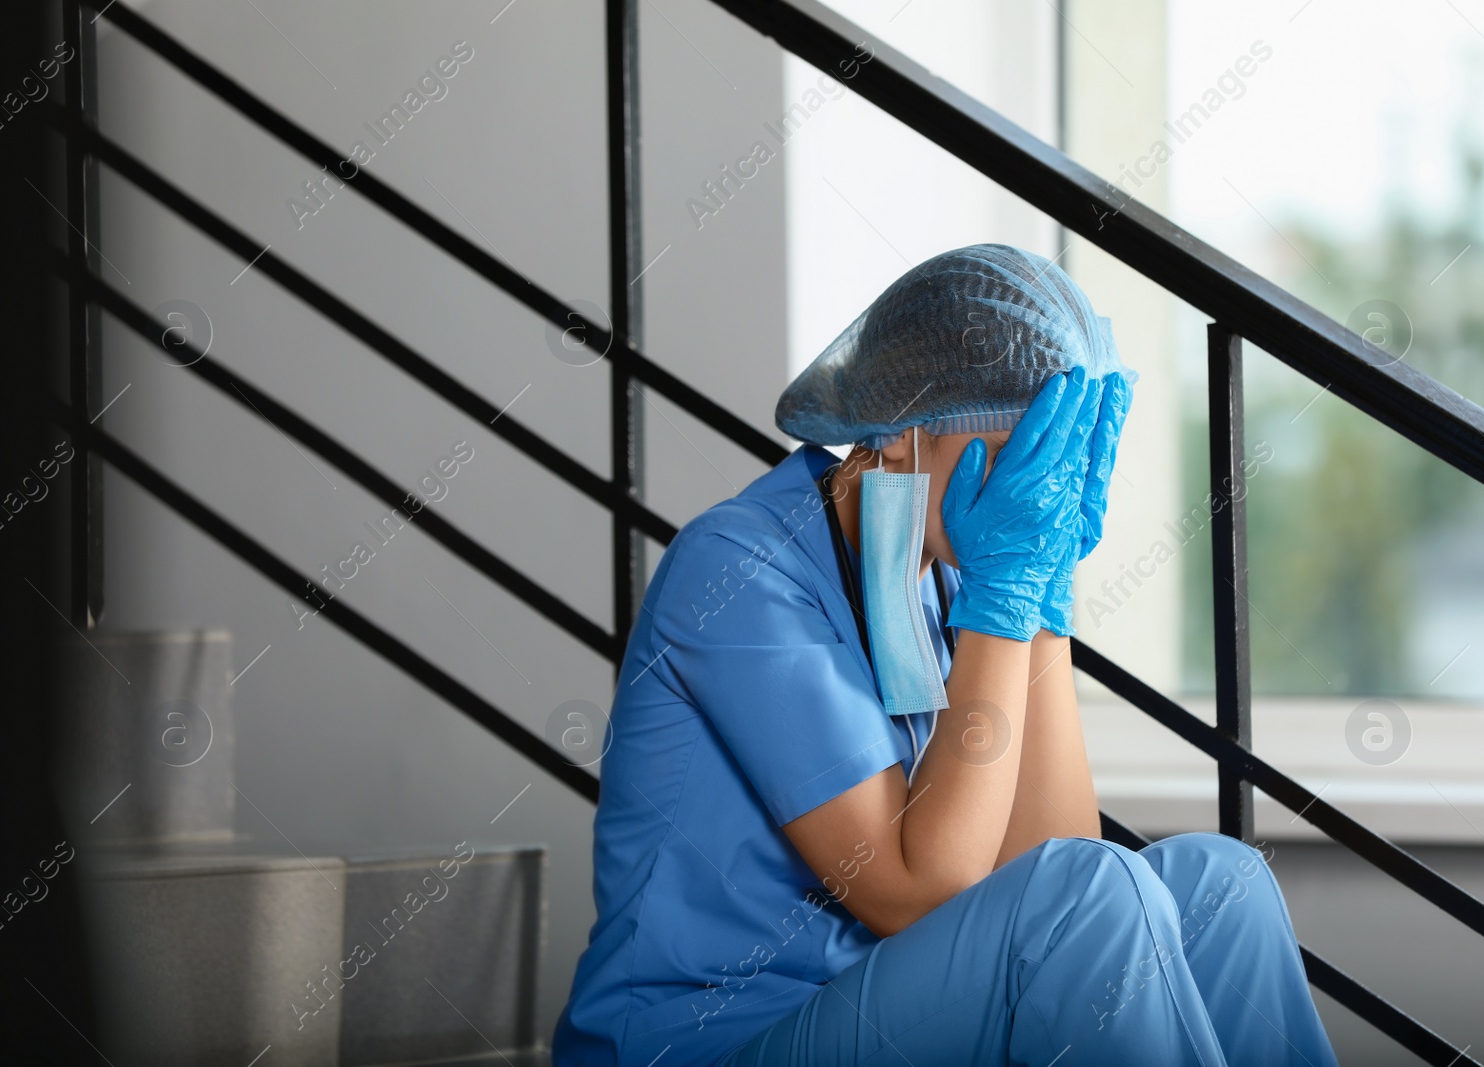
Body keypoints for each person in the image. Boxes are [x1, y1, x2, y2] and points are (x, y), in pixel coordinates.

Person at [552, 244, 1337, 1066]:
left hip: (877, 1007)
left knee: (1222, 885)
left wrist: (1042, 595)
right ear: (899, 434)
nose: (1029, 490)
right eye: (1016, 453)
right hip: (703, 1043)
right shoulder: (740, 569)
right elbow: (916, 892)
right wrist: (1005, 595)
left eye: (1054, 462)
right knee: (1093, 896)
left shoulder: (938, 575)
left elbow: (1056, 855)